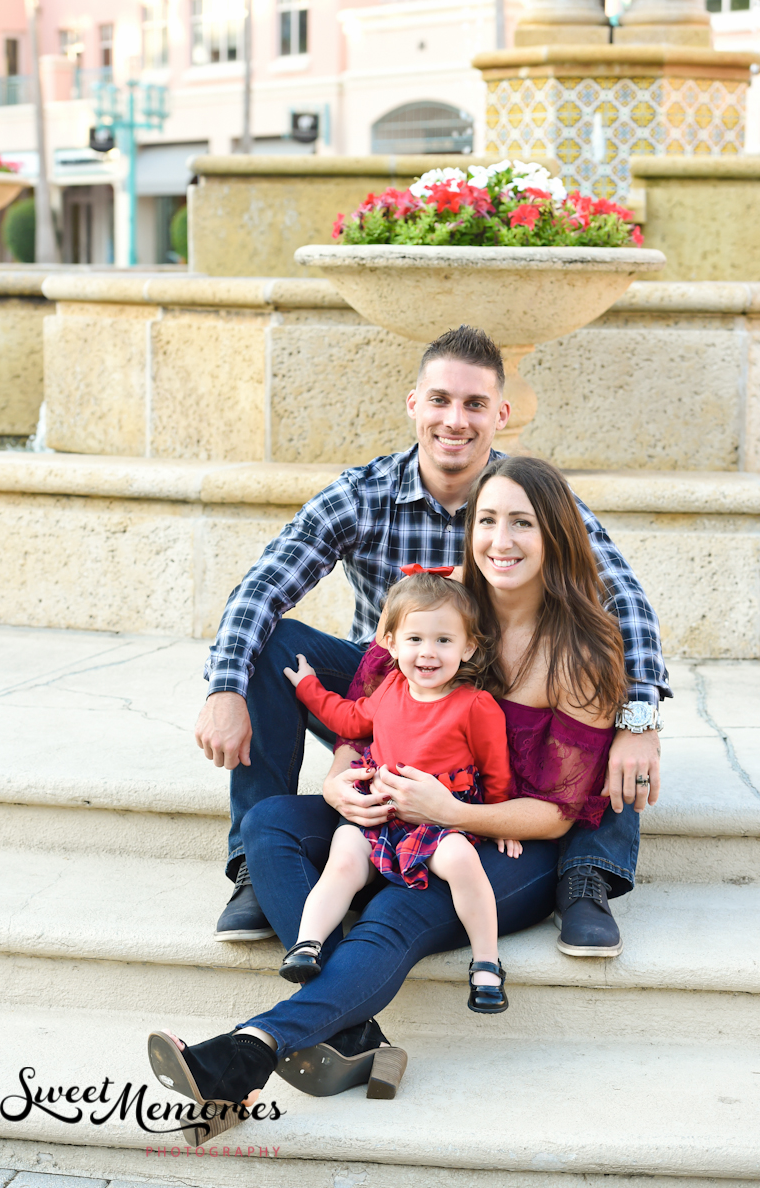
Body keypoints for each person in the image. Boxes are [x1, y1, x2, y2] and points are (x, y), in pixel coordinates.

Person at [148, 455, 632, 1131]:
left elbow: (554, 814)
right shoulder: (442, 604)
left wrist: (453, 812)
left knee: (394, 917)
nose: (500, 539)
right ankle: (349, 1036)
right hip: (399, 815)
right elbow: (372, 704)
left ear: (553, 533)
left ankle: (248, 1051)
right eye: (486, 520)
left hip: (503, 842)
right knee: (269, 823)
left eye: (521, 523)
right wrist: (342, 775)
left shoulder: (581, 650)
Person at [196, 326, 668, 956]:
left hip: (495, 688)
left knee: (601, 673)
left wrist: (640, 720)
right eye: (440, 400)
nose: (456, 420)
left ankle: (587, 872)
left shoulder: (525, 497)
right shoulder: (362, 495)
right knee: (272, 645)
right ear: (414, 404)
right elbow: (261, 588)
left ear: (500, 415)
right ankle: (256, 866)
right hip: (388, 684)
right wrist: (225, 688)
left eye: (475, 405)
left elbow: (625, 600)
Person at [279, 570, 515, 1014]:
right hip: (382, 812)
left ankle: (486, 963)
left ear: (468, 648)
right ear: (389, 641)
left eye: (444, 641)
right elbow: (348, 720)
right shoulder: (389, 689)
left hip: (439, 818)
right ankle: (307, 944)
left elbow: (496, 768)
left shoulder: (475, 705)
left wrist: (501, 819)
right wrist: (308, 686)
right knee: (344, 854)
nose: (428, 652)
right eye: (415, 639)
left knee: (462, 860)